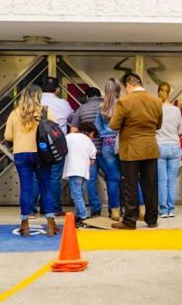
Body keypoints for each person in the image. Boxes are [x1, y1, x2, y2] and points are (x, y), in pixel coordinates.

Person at [110, 72, 163, 230]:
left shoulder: (124, 101)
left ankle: (129, 220)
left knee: (130, 185)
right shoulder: (156, 101)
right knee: (151, 185)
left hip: (130, 150)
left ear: (128, 85)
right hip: (150, 148)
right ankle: (152, 219)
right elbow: (158, 125)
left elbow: (113, 125)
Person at [5, 84, 59, 237]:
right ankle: (50, 223)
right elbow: (55, 131)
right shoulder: (46, 112)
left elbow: (8, 136)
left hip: (21, 153)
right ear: (39, 96)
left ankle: (25, 224)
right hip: (42, 154)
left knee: (26, 188)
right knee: (45, 187)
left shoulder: (15, 113)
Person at [70, 87, 104, 217]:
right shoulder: (106, 106)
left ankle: (95, 209)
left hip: (89, 153)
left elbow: (73, 130)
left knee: (91, 180)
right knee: (114, 179)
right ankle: (116, 208)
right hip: (106, 148)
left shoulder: (82, 109)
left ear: (87, 97)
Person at [40, 77, 72, 214]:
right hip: (57, 145)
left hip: (39, 143)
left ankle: (33, 209)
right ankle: (54, 208)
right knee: (54, 177)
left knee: (38, 176)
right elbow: (72, 117)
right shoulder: (63, 103)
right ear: (57, 89)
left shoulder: (36, 102)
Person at [95, 78, 124, 221]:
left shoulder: (102, 107)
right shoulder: (124, 104)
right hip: (123, 143)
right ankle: (139, 207)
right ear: (119, 89)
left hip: (107, 144)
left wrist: (105, 134)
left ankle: (115, 211)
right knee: (130, 177)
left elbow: (98, 126)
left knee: (113, 179)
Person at [156, 81, 182, 218]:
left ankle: (163, 209)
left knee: (162, 180)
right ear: (169, 93)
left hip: (159, 146)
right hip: (174, 146)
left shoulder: (156, 109)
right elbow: (180, 130)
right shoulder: (176, 110)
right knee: (171, 180)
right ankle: (171, 209)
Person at [63, 122, 97, 227]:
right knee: (79, 194)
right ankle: (79, 215)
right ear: (90, 133)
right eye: (93, 135)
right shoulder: (87, 140)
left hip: (73, 169)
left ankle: (83, 216)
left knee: (76, 195)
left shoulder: (68, 137)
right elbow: (93, 159)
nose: (93, 138)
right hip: (83, 170)